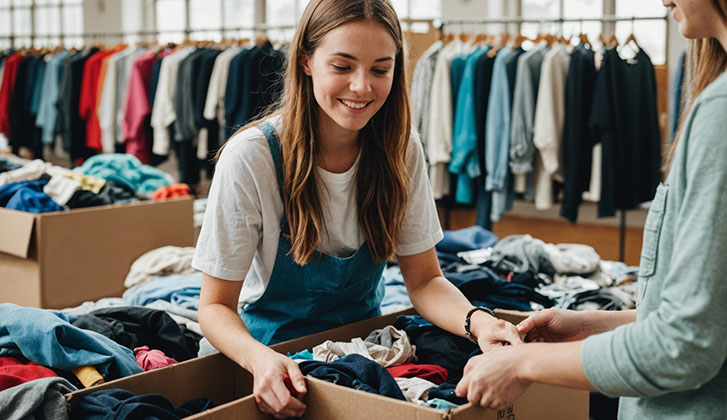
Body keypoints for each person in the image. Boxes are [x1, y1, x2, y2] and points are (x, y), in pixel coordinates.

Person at [193, 0, 523, 418]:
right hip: (268, 359)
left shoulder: (400, 150)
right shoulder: (253, 157)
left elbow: (423, 280)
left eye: (380, 70)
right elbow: (215, 306)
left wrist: (479, 322)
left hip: (360, 352)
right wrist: (261, 361)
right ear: (306, 61)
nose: (362, 87)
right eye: (343, 66)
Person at [454, 1, 727, 418]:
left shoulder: (719, 114)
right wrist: (591, 325)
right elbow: (711, 319)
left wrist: (522, 364)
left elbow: (682, 346)